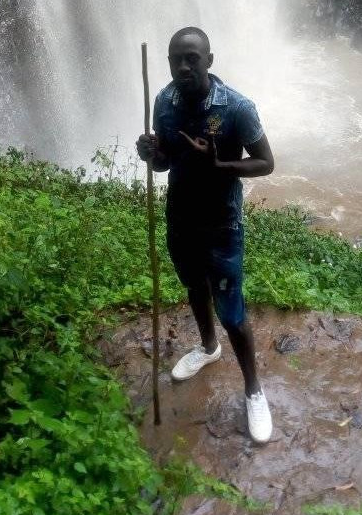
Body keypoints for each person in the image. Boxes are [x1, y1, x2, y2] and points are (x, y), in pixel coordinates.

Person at [136, 27, 275, 443]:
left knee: (232, 309)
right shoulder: (163, 102)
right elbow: (164, 162)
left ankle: (253, 390)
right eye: (176, 58)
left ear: (209, 61)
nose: (183, 66)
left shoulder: (236, 108)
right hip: (181, 218)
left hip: (221, 224)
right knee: (195, 288)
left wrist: (220, 166)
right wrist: (152, 154)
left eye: (192, 58)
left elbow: (266, 163)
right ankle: (207, 347)